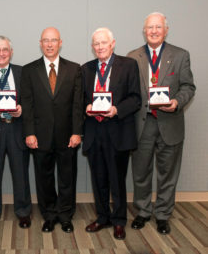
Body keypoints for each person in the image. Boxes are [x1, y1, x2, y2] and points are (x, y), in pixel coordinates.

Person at [128, 12, 196, 235]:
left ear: (166, 30)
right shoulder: (133, 56)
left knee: (168, 174)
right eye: (150, 27)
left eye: (158, 27)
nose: (154, 31)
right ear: (144, 31)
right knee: (141, 172)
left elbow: (188, 87)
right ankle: (144, 211)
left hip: (170, 122)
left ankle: (163, 215)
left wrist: (177, 102)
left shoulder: (180, 55)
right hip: (142, 125)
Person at [21, 27, 83, 233]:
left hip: (67, 136)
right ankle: (49, 214)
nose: (49, 44)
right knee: (44, 178)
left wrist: (77, 132)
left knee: (67, 177)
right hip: (39, 136)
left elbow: (77, 104)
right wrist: (29, 132)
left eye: (53, 40)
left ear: (60, 42)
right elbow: (27, 104)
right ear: (40, 43)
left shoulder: (74, 69)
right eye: (45, 40)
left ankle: (65, 215)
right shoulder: (29, 70)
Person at [82, 28, 141, 240]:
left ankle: (119, 221)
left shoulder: (128, 65)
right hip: (94, 131)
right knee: (98, 179)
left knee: (117, 179)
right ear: (92, 47)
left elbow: (136, 98)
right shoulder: (86, 69)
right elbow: (80, 100)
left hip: (118, 130)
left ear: (112, 43)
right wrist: (86, 106)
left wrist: (116, 109)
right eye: (96, 44)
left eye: (103, 43)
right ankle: (102, 217)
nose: (99, 47)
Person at [0, 36, 32, 229]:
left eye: (5, 50)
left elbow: (31, 99)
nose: (1, 53)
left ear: (11, 52)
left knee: (21, 175)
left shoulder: (23, 73)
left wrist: (22, 109)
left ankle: (23, 212)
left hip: (17, 131)